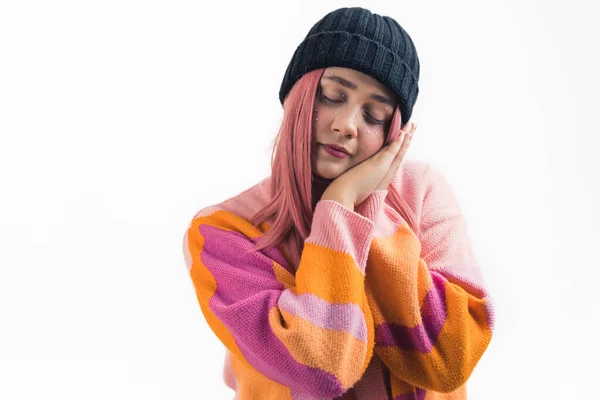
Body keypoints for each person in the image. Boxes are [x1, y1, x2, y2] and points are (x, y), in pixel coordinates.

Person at [183, 6, 494, 400]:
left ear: (392, 132)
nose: (347, 124)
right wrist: (340, 207)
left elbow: (452, 357)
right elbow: (319, 366)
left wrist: (366, 209)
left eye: (374, 114)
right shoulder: (224, 231)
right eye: (333, 96)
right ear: (298, 96)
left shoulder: (421, 191)